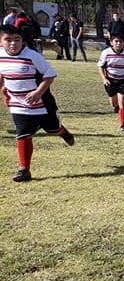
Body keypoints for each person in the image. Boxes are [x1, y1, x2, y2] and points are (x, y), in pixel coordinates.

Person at [0, 25, 75, 182]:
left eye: (17, 40)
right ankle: (24, 170)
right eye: (8, 40)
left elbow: (50, 74)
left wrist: (37, 93)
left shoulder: (32, 56)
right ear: (1, 42)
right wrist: (4, 93)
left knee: (52, 130)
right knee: (23, 134)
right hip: (18, 104)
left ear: (22, 41)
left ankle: (62, 132)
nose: (13, 43)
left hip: (42, 104)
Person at [97, 32, 124, 133]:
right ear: (111, 42)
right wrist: (104, 79)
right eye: (116, 41)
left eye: (121, 41)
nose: (118, 43)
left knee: (122, 102)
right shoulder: (106, 53)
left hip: (123, 80)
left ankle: (123, 125)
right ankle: (115, 106)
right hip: (110, 80)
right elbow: (100, 67)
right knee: (113, 102)